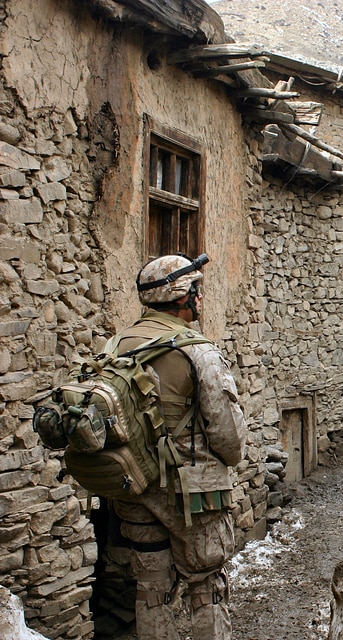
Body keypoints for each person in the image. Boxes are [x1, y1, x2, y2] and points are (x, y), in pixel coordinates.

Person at [110, 254, 246, 640]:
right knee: (206, 588)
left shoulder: (116, 344)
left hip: (135, 487)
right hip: (193, 497)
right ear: (183, 296)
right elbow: (228, 439)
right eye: (197, 291)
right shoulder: (198, 351)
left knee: (151, 589)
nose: (200, 299)